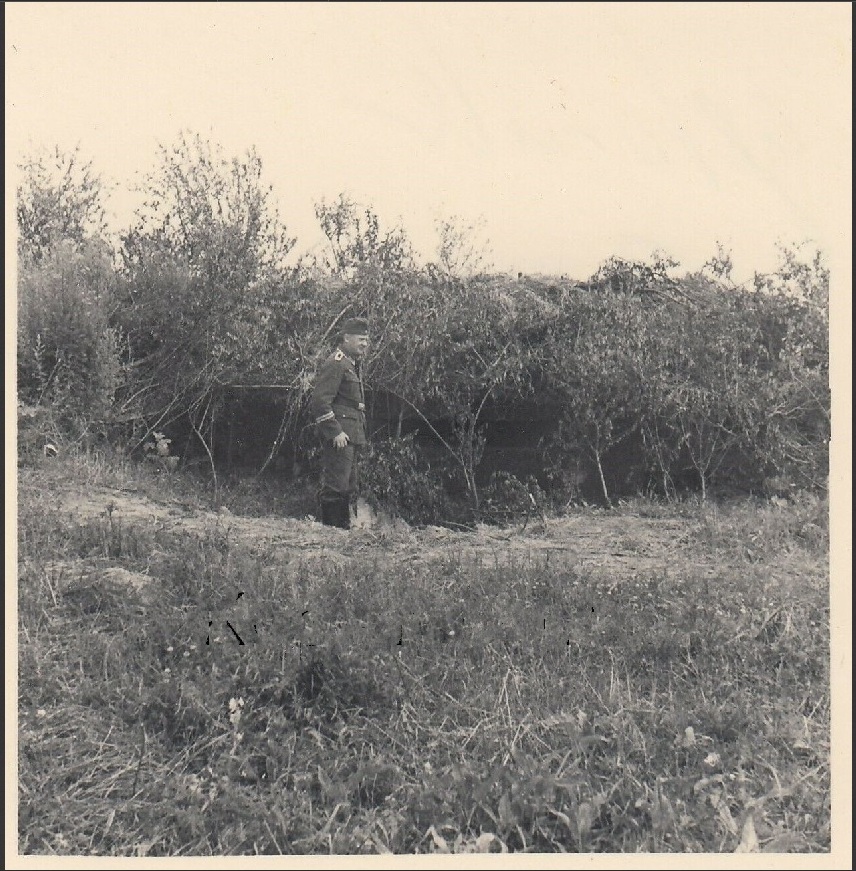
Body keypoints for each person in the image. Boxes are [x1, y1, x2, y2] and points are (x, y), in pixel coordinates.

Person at [309, 317, 369, 528]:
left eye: (366, 340)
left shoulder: (350, 364)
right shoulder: (337, 362)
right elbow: (320, 401)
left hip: (350, 435)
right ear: (346, 338)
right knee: (336, 485)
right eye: (360, 339)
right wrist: (335, 432)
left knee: (347, 485)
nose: (364, 344)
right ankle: (332, 535)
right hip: (341, 436)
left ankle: (341, 533)